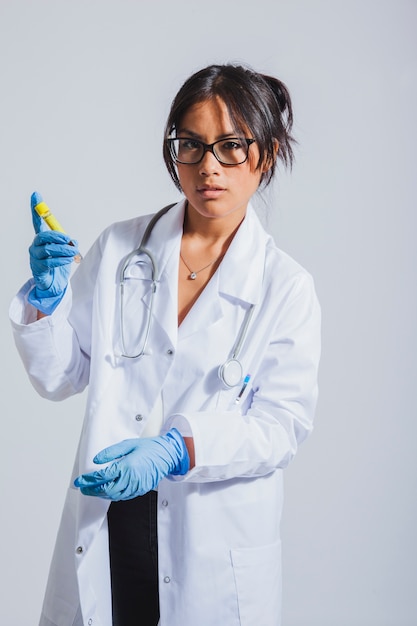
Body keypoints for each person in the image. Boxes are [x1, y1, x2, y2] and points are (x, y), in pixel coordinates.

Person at [10, 63, 321, 626]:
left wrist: (178, 449)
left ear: (267, 154)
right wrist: (48, 301)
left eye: (231, 147)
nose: (208, 167)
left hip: (210, 542)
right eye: (191, 146)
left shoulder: (286, 286)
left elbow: (282, 425)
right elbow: (60, 377)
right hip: (112, 522)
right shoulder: (120, 249)